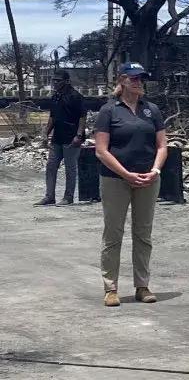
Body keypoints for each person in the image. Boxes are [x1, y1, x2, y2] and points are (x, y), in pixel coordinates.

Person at [93, 62, 167, 307]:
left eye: (141, 78)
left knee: (143, 234)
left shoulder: (152, 110)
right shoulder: (108, 111)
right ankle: (111, 287)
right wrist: (125, 173)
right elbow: (102, 151)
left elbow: (162, 146)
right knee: (113, 233)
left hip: (147, 178)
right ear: (122, 80)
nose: (138, 83)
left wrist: (155, 170)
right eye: (134, 78)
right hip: (116, 179)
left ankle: (142, 285)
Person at [36, 70, 86, 206]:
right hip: (57, 138)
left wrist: (79, 135)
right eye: (54, 80)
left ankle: (68, 197)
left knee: (70, 169)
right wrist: (46, 132)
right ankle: (49, 196)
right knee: (51, 167)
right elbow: (53, 117)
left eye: (58, 80)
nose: (55, 83)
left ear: (67, 81)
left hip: (71, 138)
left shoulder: (76, 97)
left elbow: (82, 117)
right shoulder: (55, 97)